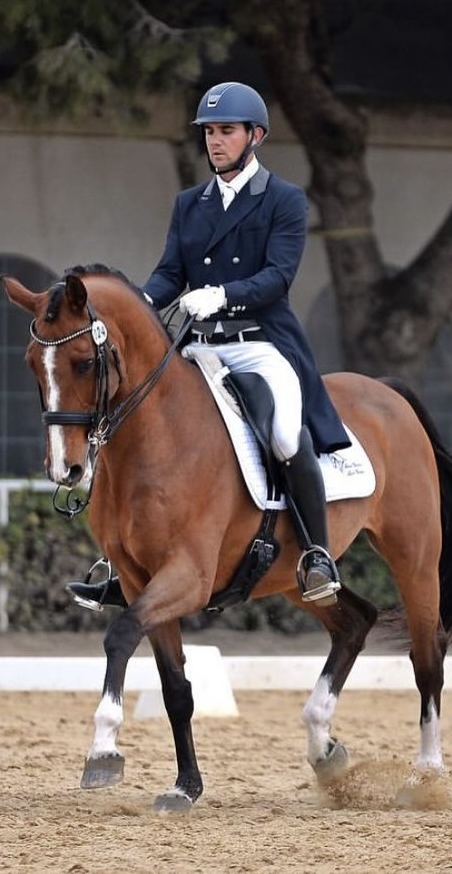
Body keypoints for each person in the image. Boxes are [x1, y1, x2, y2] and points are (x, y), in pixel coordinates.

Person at [68, 81, 350, 610]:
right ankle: (118, 559)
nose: (215, 142)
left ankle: (317, 554)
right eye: (210, 132)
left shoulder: (284, 200)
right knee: (135, 418)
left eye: (226, 131)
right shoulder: (190, 204)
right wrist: (140, 304)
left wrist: (222, 294)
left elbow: (278, 277)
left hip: (260, 344)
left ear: (255, 136)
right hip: (201, 347)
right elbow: (170, 272)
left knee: (285, 434)